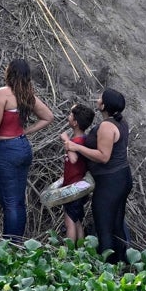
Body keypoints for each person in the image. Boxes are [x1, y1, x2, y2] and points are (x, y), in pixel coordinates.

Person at [0, 59, 54, 243]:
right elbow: (48, 116)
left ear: (9, 72)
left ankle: (9, 247)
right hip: (22, 147)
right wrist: (26, 131)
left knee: (10, 204)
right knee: (19, 202)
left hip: (5, 150)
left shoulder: (1, 94)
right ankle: (17, 244)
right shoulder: (27, 95)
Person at [65, 89, 132, 263]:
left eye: (100, 98)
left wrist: (77, 148)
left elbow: (103, 156)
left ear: (104, 105)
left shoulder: (107, 126)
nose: (97, 99)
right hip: (122, 178)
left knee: (104, 226)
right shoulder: (121, 122)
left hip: (110, 182)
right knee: (117, 223)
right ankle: (121, 263)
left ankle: (108, 268)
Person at [59, 103, 94, 243]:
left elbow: (73, 159)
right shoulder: (84, 140)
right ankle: (80, 251)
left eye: (71, 115)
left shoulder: (76, 142)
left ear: (75, 122)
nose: (68, 116)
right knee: (77, 220)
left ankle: (69, 254)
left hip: (74, 189)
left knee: (69, 222)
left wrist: (66, 140)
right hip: (78, 187)